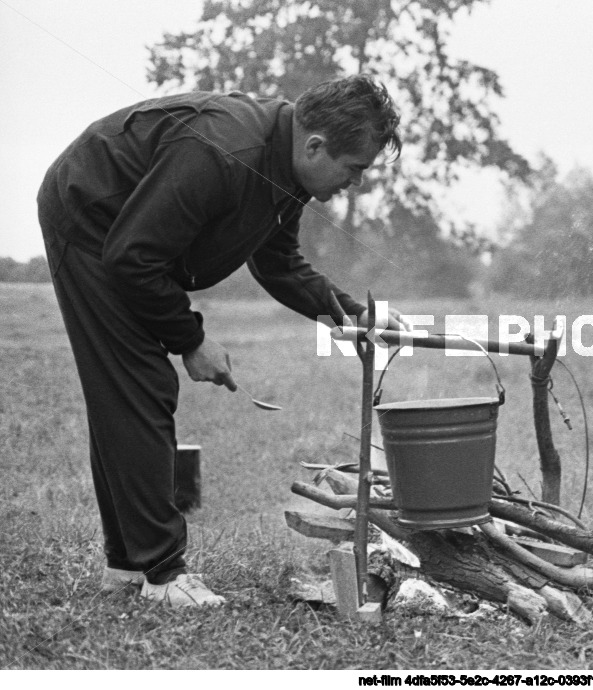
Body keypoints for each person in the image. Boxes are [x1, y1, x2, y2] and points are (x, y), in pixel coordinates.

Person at [37, 75, 409, 606]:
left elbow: (277, 262)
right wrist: (191, 339)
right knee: (140, 384)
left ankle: (126, 565)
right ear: (316, 145)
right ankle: (163, 575)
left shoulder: (286, 170)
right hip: (90, 218)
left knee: (127, 392)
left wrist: (351, 314)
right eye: (354, 170)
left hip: (126, 240)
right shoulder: (225, 150)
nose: (352, 184)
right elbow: (132, 255)